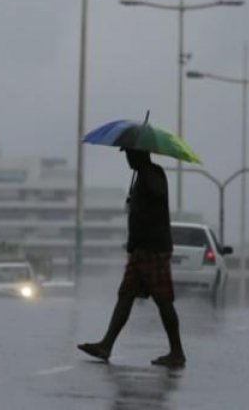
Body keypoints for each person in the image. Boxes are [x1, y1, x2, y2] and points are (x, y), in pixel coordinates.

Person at [77, 148, 186, 368]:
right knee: (125, 296)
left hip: (153, 249)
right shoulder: (141, 177)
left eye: (129, 155)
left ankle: (177, 352)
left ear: (140, 155)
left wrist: (145, 175)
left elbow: (157, 193)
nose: (127, 159)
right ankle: (106, 345)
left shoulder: (153, 174)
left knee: (164, 301)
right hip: (139, 250)